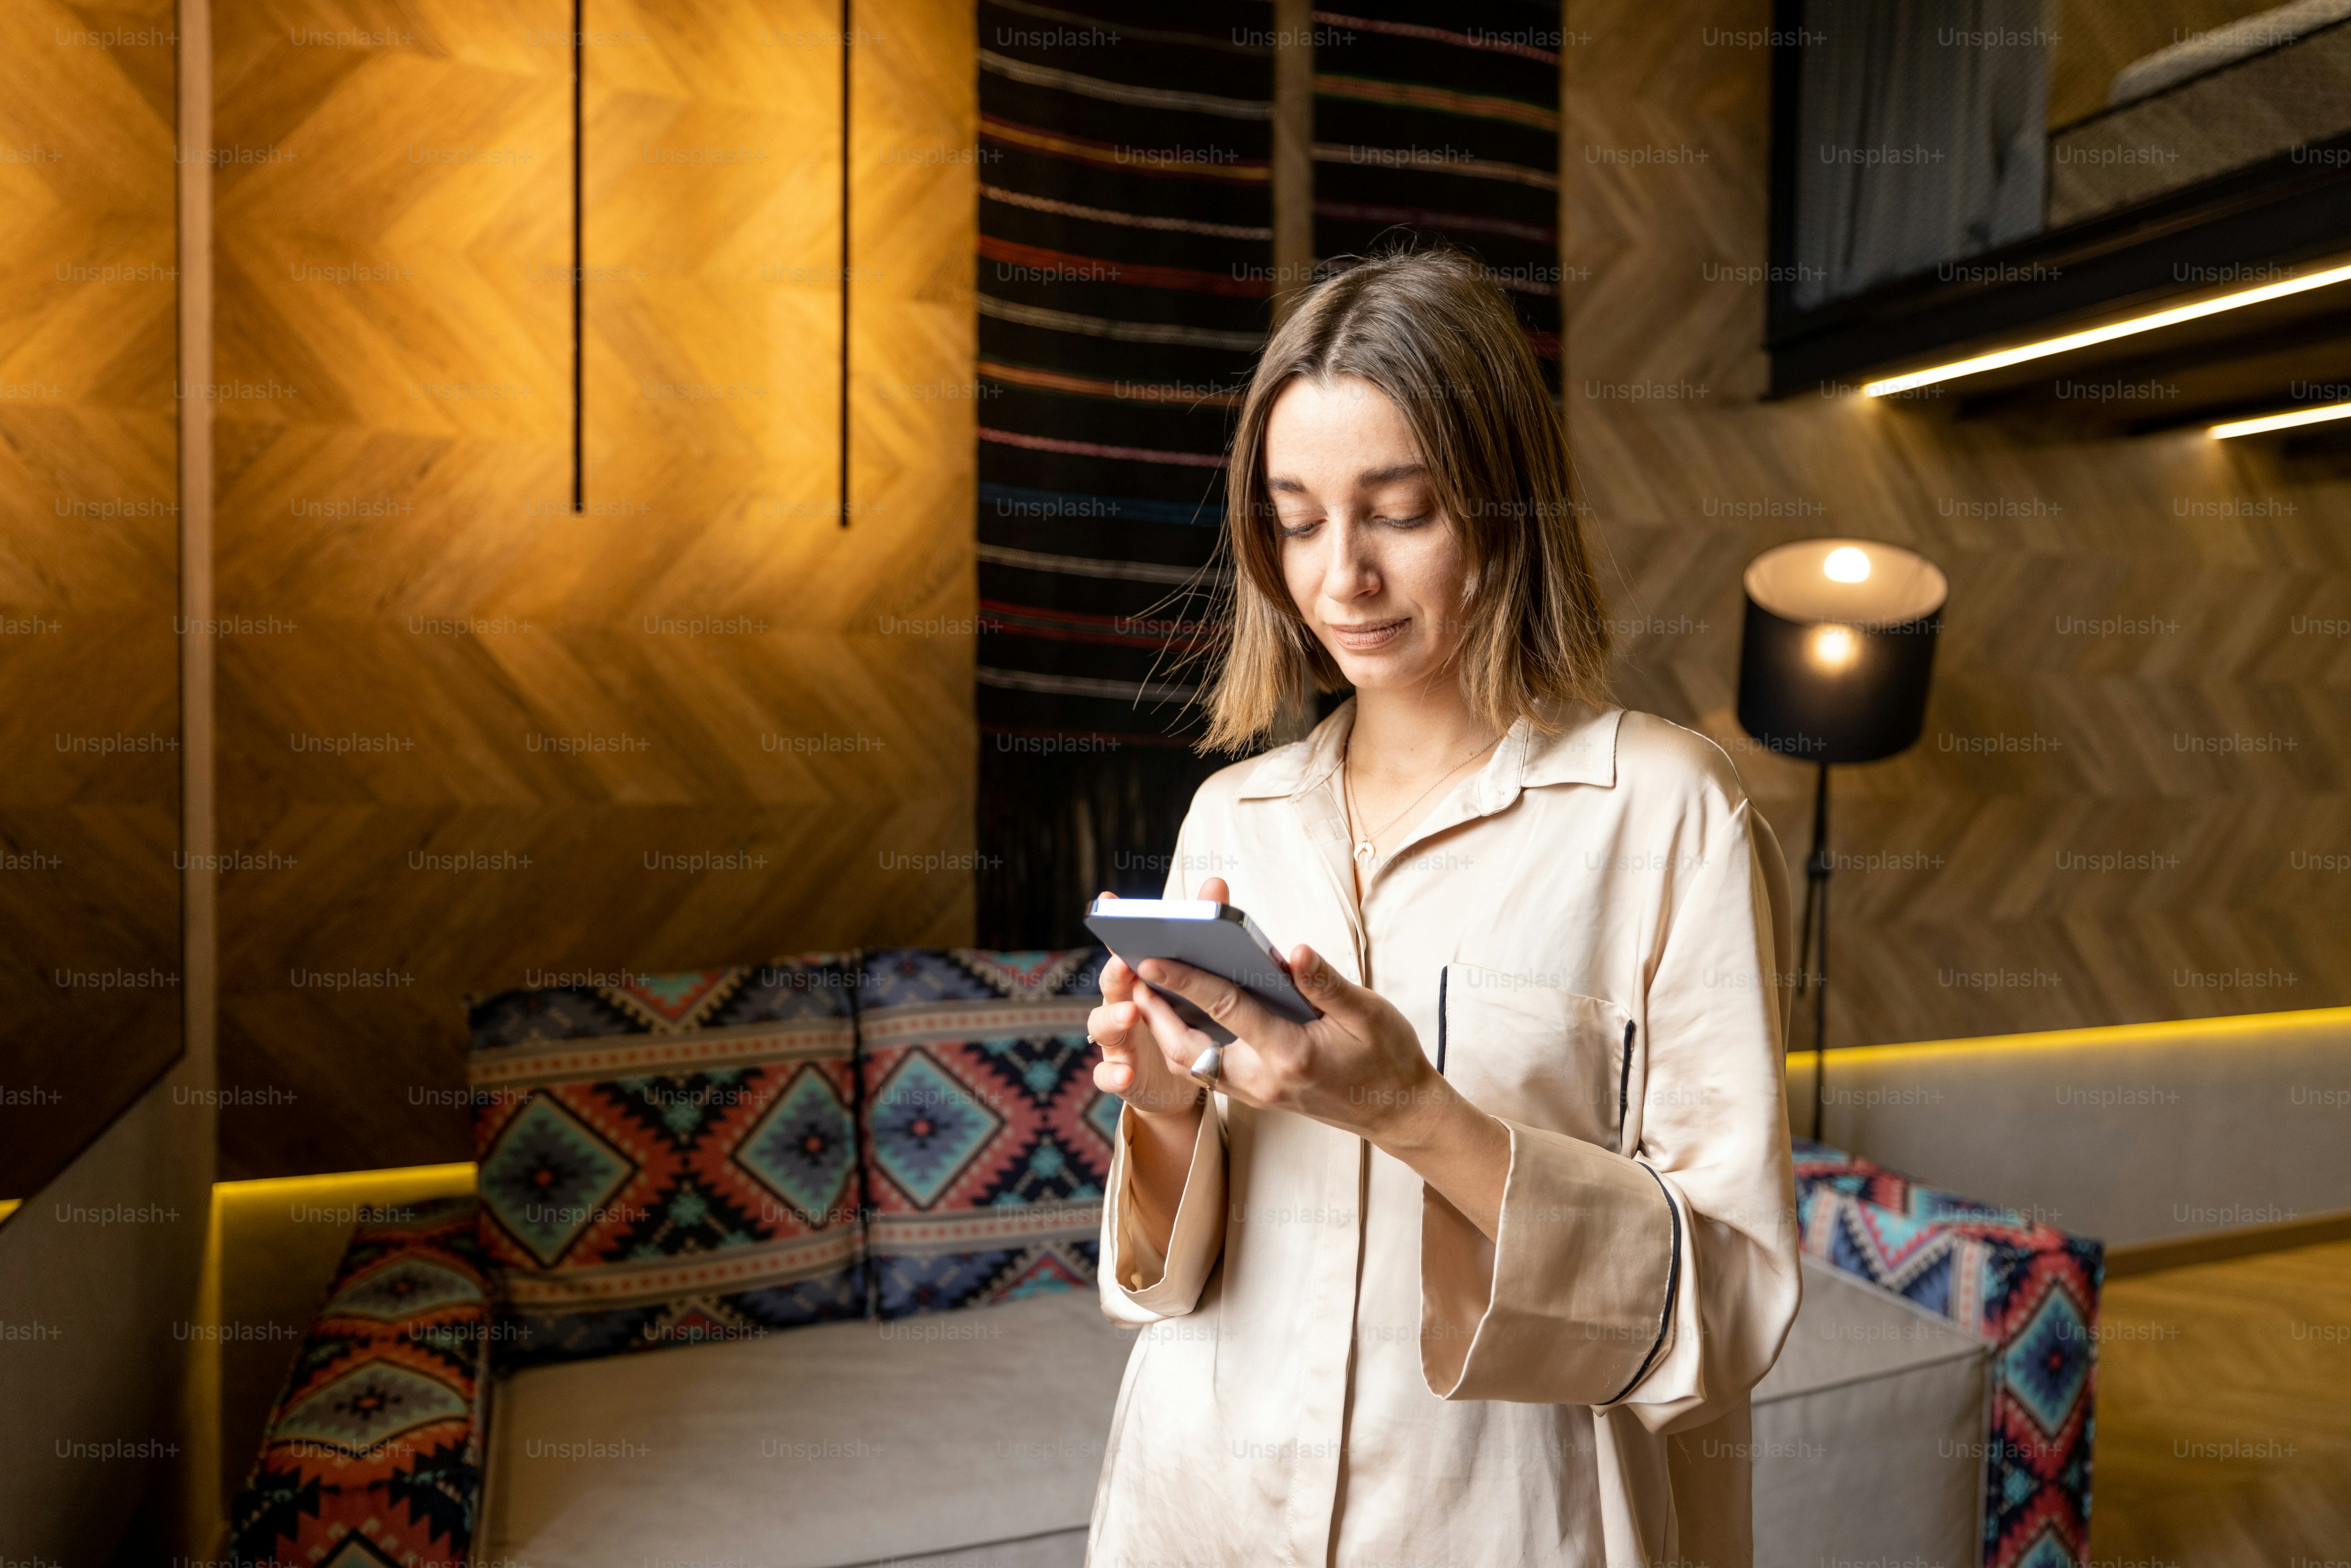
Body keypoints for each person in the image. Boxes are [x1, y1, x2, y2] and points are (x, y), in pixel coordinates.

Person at [1082, 247, 1802, 1568]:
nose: (1339, 573)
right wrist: (1167, 1105)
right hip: (1200, 1508)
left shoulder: (1663, 809)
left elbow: (1729, 1306)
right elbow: (1164, 1282)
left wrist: (1409, 1110)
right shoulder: (1229, 820)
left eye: (1399, 510)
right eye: (1297, 520)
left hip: (1504, 1523)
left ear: (1503, 506)